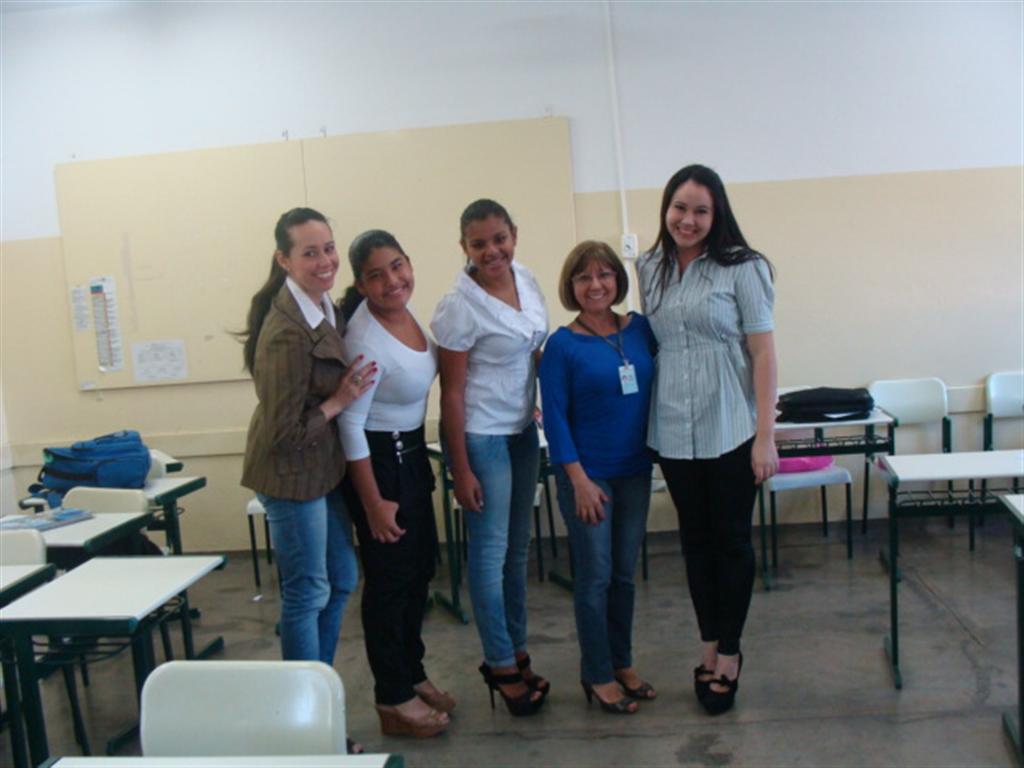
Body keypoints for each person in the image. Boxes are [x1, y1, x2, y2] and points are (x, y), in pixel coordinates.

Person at [637, 165, 778, 716]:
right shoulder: (650, 267)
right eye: (680, 208)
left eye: (700, 210)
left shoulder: (744, 267)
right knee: (695, 543)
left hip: (731, 426)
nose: (688, 220)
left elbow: (762, 353)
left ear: (716, 214)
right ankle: (707, 646)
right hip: (674, 427)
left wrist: (765, 436)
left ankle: (731, 653)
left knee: (732, 542)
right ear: (665, 209)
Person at [239, 208, 376, 751]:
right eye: (310, 252)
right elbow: (282, 434)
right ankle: (307, 728)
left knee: (340, 578)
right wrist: (340, 400)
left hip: (321, 469)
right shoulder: (284, 333)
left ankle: (319, 696)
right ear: (284, 259)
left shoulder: (321, 305)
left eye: (329, 248)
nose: (325, 261)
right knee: (308, 592)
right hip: (289, 474)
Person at [430, 199, 549, 717]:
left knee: (517, 551)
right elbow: (452, 394)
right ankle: (499, 662)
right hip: (482, 437)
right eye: (479, 244)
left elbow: (534, 349)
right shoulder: (458, 306)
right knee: (489, 553)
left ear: (513, 235)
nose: (492, 251)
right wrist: (460, 469)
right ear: (464, 247)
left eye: (499, 239)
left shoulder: (527, 279)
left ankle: (517, 650)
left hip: (523, 431)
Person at [337, 230, 451, 739]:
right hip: (379, 463)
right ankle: (392, 696)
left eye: (398, 266)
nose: (392, 280)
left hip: (410, 455)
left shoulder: (405, 314)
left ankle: (412, 672)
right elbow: (350, 425)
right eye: (376, 275)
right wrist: (373, 503)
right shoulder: (364, 339)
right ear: (361, 284)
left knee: (419, 570)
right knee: (389, 583)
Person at [538, 241, 658, 716]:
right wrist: (579, 481)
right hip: (587, 477)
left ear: (617, 280)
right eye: (584, 277)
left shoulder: (640, 330)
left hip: (635, 470)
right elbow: (555, 418)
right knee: (595, 577)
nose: (596, 285)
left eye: (605, 274)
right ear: (571, 285)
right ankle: (598, 673)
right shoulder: (562, 345)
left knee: (624, 576)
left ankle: (621, 662)